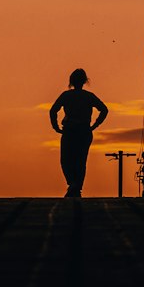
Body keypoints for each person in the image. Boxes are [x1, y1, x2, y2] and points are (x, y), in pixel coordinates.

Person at [49, 68, 108, 198]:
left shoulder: (66, 95)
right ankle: (76, 187)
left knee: (66, 159)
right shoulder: (88, 96)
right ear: (84, 81)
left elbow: (53, 111)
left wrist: (56, 127)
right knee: (80, 160)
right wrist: (94, 125)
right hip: (83, 131)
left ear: (71, 81)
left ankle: (73, 185)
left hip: (70, 131)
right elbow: (104, 110)